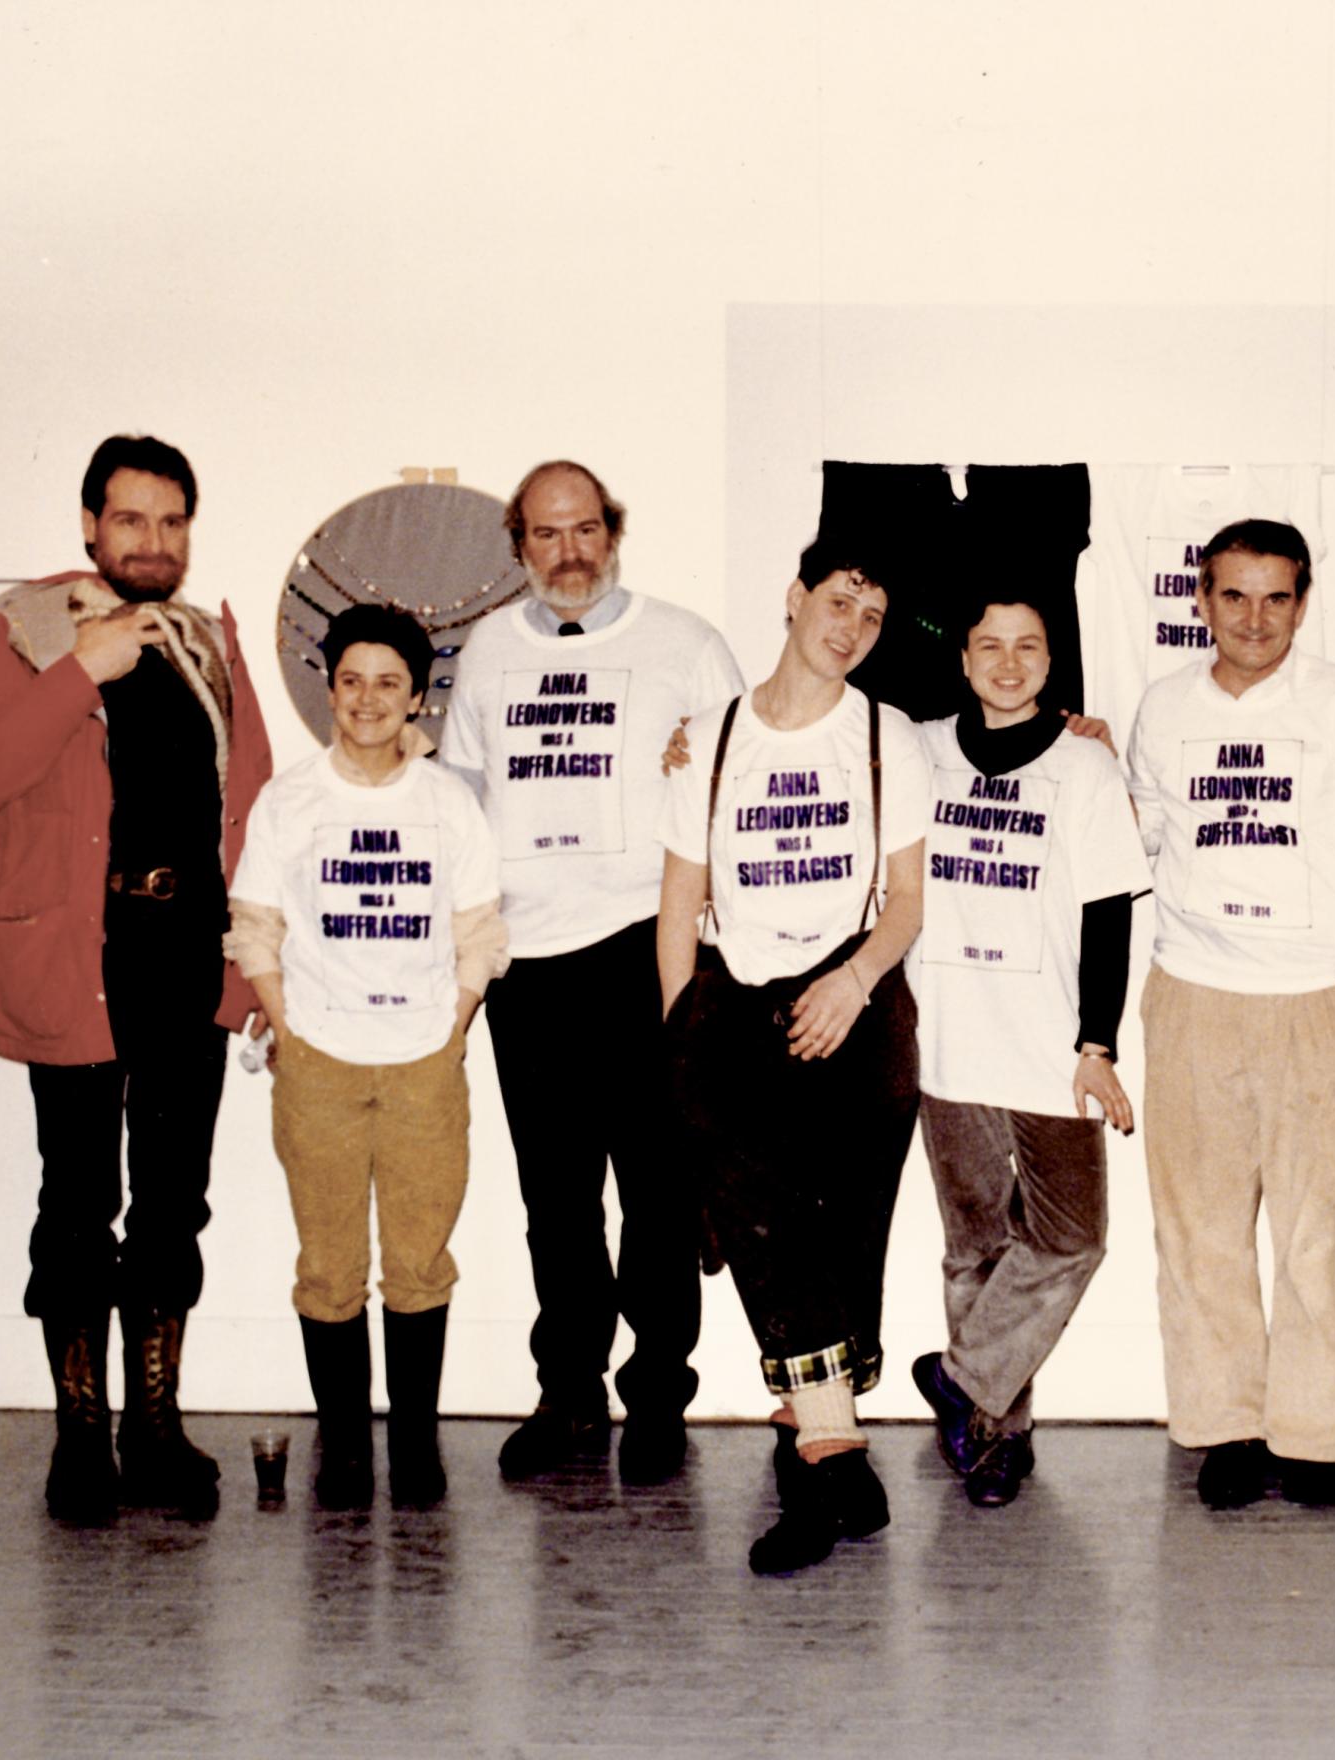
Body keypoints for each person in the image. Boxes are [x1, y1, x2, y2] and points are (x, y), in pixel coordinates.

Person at [0, 435, 272, 1522]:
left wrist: (256, 957)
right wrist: (85, 667)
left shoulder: (209, 639)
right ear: (90, 525)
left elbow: (255, 803)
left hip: (187, 954)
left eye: (172, 521)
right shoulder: (33, 629)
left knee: (175, 1201)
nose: (153, 541)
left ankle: (155, 1428)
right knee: (78, 1202)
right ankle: (80, 1439)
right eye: (131, 520)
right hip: (76, 956)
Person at [442, 460, 743, 1484]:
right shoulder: (486, 649)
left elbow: (738, 786)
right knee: (555, 1197)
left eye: (584, 530)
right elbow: (460, 801)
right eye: (544, 535)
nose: (567, 553)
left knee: (658, 1190)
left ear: (612, 532)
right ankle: (568, 1391)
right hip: (528, 962)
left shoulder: (687, 644)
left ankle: (657, 1393)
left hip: (643, 946)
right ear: (518, 546)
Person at [655, 539, 928, 1574]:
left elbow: (905, 899)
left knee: (843, 1243)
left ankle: (811, 1452)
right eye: (838, 598)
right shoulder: (707, 737)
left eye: (872, 611)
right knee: (771, 1242)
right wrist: (684, 1037)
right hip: (734, 1012)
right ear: (793, 599)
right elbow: (679, 900)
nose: (851, 624)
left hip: (854, 1003)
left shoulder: (883, 735)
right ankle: (831, 1453)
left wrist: (851, 982)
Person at [1126, 518, 1335, 1511]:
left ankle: (1307, 1434)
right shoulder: (1162, 708)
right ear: (1198, 599)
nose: (1253, 617)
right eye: (1231, 595)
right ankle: (1225, 1425)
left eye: (1274, 596)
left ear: (1302, 599)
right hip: (1194, 994)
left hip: (1311, 1003)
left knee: (1308, 1232)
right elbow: (1142, 835)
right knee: (1199, 1230)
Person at [225, 606, 507, 1508]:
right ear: (331, 689)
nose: (369, 700)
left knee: (421, 1261)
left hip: (425, 1060)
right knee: (329, 1265)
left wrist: (449, 1026)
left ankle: (415, 1447)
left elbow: (480, 934)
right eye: (353, 680)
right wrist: (292, 1029)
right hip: (321, 1064)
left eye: (390, 682)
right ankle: (345, 1446)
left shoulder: (447, 803)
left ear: (417, 696)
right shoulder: (291, 801)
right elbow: (256, 928)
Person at [905, 593, 1150, 1508]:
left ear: (1053, 660)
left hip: (1050, 1049)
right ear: (963, 659)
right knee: (974, 1249)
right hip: (948, 1045)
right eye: (990, 646)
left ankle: (962, 1381)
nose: (1009, 664)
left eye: (1029, 647)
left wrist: (1097, 1043)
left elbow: (1108, 915)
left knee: (1071, 1237)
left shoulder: (1084, 766)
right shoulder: (917, 750)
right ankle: (994, 1439)